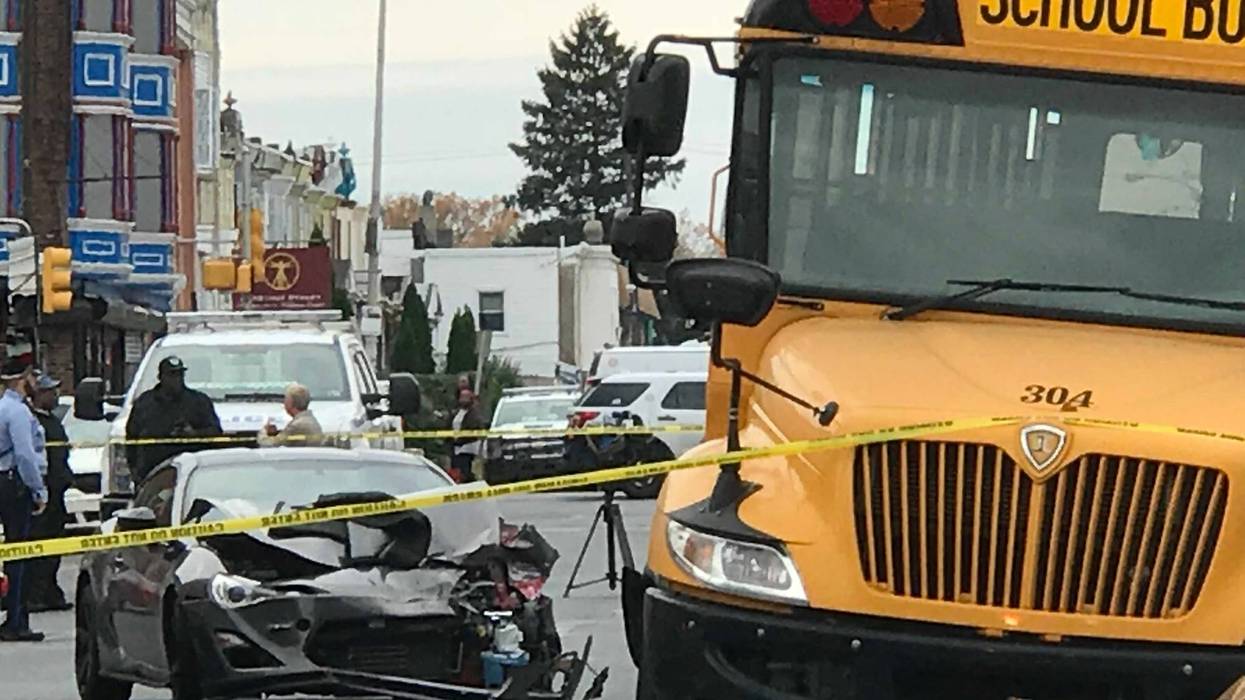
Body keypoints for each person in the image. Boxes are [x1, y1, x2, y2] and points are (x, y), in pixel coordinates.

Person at [0, 359, 46, 642]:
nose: (36, 382)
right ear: (22, 378)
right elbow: (26, 455)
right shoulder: (17, 412)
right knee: (19, 553)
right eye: (33, 376)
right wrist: (38, 490)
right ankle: (16, 621)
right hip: (12, 485)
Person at [125, 356, 222, 484]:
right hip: (152, 475)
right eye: (171, 375)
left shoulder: (199, 402)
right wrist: (135, 473)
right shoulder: (145, 403)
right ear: (160, 377)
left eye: (179, 374)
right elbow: (131, 439)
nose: (176, 379)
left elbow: (216, 434)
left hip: (192, 476)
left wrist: (193, 434)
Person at [26, 371, 72, 612]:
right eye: (50, 391)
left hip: (57, 495)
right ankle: (35, 594)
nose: (55, 395)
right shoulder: (32, 421)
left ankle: (51, 591)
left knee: (55, 545)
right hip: (42, 495)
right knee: (38, 546)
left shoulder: (53, 421)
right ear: (39, 394)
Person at [258, 383, 324, 447]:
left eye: (286, 399)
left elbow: (269, 444)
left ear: (290, 402)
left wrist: (264, 430)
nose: (284, 403)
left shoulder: (297, 425)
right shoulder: (310, 420)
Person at [446, 387, 484, 483]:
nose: (463, 400)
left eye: (466, 397)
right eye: (462, 397)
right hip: (455, 447)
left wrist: (462, 439)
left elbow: (475, 428)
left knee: (465, 471)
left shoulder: (474, 413)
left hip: (468, 448)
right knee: (455, 470)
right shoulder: (456, 412)